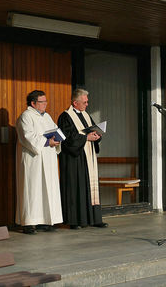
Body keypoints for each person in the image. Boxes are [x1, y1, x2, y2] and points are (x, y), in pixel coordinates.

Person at [58, 88, 108, 229]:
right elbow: (66, 138)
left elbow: (91, 130)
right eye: (84, 102)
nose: (87, 104)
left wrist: (97, 135)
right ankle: (75, 221)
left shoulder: (86, 115)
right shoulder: (65, 117)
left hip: (88, 156)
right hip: (75, 159)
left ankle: (94, 218)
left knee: (91, 188)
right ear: (75, 102)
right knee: (76, 187)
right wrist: (86, 137)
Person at [15, 90, 63, 234]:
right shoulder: (26, 116)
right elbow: (27, 136)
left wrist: (57, 139)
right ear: (33, 103)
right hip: (33, 159)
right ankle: (29, 223)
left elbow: (55, 130)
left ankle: (45, 220)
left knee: (48, 189)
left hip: (48, 157)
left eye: (46, 101)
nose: (45, 104)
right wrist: (46, 141)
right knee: (32, 190)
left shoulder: (46, 116)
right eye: (42, 102)